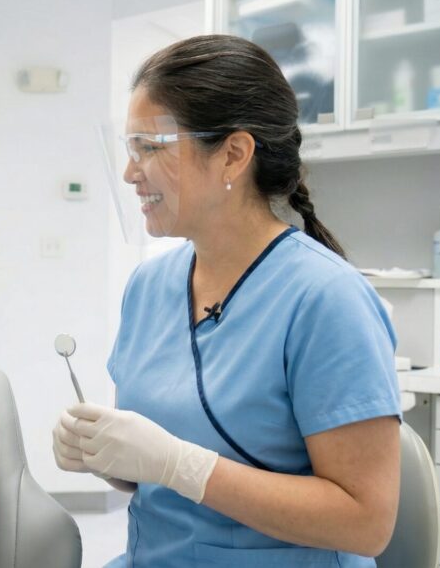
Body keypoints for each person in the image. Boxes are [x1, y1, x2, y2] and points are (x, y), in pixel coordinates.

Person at [53, 35, 401, 567]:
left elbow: (366, 522)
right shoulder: (149, 288)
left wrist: (180, 465)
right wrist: (107, 455)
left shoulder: (326, 299)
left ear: (233, 155)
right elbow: (153, 473)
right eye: (130, 148)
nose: (130, 172)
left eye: (152, 147)